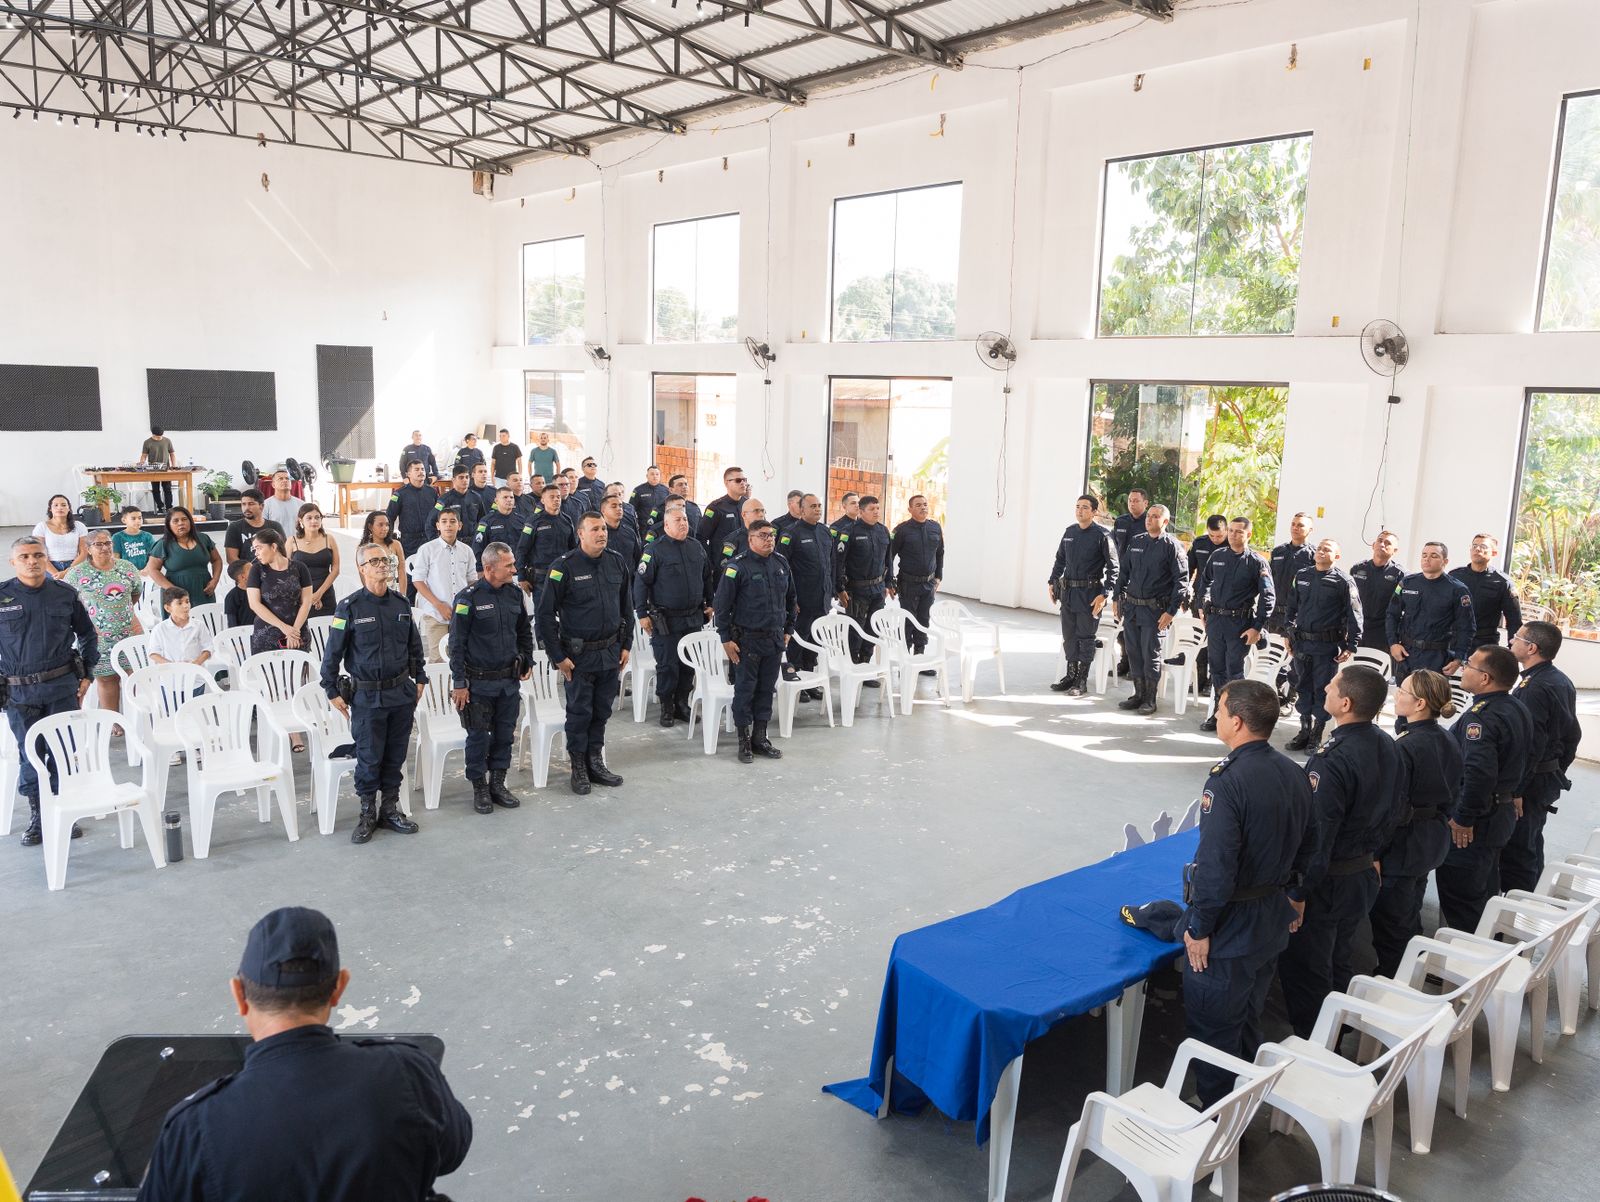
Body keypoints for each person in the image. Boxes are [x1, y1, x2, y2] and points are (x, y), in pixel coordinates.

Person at [138, 906, 470, 1202]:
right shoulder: (408, 1072)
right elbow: (452, 1152)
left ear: (238, 995)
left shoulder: (192, 1129)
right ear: (339, 987)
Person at [1173, 678, 1314, 1108]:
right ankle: (1246, 1099)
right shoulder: (1295, 772)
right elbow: (1311, 844)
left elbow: (1216, 869)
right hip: (1270, 919)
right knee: (1249, 1018)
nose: (1215, 715)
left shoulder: (1227, 781)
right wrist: (1296, 892)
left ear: (1236, 721)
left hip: (1231, 929)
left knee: (1214, 1028)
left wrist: (1198, 927)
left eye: (1219, 708)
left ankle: (1217, 1117)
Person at [1276, 665, 1396, 1037]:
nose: (1325, 686)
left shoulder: (1333, 759)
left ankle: (1313, 1044)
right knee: (1341, 957)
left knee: (1308, 967)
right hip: (1362, 872)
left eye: (1332, 685)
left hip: (1329, 882)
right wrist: (1375, 853)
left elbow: (1320, 835)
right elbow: (1395, 810)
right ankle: (1338, 1031)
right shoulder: (1387, 744)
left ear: (1345, 703)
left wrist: (1297, 892)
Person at [321, 544, 426, 843]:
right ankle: (368, 812)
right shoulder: (349, 607)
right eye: (375, 561)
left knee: (394, 756)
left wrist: (420, 678)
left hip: (401, 694)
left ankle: (390, 810)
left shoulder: (401, 603)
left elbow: (414, 646)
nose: (383, 565)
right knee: (369, 757)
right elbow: (333, 653)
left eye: (386, 560)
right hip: (367, 697)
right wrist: (330, 689)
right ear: (362, 569)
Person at [0, 536, 97, 846]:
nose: (32, 561)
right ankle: (39, 815)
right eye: (25, 556)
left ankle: (63, 810)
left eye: (38, 555)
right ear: (13, 562)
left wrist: (88, 672)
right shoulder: (2, 597)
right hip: (19, 694)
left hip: (60, 687)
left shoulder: (64, 594)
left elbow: (87, 635)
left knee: (62, 753)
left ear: (46, 558)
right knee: (31, 755)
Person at [1433, 644, 1533, 932]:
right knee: (1484, 889)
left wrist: (1463, 818)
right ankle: (1485, 952)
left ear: (1486, 677)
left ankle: (1458, 968)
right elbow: (1529, 756)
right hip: (1499, 812)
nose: (1464, 668)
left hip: (1478, 819)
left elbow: (1478, 774)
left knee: (1461, 896)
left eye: (1471, 665)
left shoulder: (1482, 717)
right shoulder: (1516, 706)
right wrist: (1515, 791)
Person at [1369, 669, 1460, 978]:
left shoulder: (1406, 747)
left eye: (1403, 691)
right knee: (1411, 906)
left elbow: (1392, 808)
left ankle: (1394, 981)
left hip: (1404, 844)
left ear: (1420, 703)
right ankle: (1416, 965)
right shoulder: (1447, 737)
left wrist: (1376, 853)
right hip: (1432, 838)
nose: (1397, 694)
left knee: (1392, 920)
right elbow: (1456, 790)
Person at [536, 513, 632, 795]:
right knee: (579, 714)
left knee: (601, 711)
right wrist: (557, 657)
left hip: (610, 652)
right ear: (580, 534)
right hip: (578, 657)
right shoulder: (563, 567)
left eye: (603, 528)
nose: (602, 533)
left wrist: (626, 644)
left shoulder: (617, 562)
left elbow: (627, 606)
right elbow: (544, 616)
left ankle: (595, 761)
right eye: (595, 529)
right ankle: (578, 767)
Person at [449, 542, 532, 814]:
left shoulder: (514, 594)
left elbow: (524, 632)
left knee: (505, 735)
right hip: (478, 685)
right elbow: (457, 644)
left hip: (507, 682)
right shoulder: (467, 599)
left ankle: (498, 783)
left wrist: (526, 660)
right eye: (508, 565)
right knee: (478, 738)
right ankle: (479, 787)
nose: (514, 569)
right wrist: (459, 683)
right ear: (488, 568)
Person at [1503, 621, 1582, 892]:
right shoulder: (1560, 679)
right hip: (1545, 775)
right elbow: (1574, 734)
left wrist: (1517, 790)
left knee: (1519, 850)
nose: (1512, 641)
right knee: (1532, 842)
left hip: (1532, 780)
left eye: (1517, 637)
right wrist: (1558, 769)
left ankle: (1514, 916)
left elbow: (1530, 745)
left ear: (1531, 648)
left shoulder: (1534, 688)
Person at [715, 520, 797, 764]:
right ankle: (744, 740)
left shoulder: (781, 563)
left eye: (771, 535)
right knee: (745, 691)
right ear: (750, 540)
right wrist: (726, 639)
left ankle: (760, 738)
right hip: (746, 641)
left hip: (773, 639)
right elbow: (722, 606)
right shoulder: (737, 567)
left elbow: (792, 599)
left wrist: (789, 629)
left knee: (765, 690)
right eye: (762, 536)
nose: (769, 539)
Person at [635, 502, 715, 728]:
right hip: (666, 621)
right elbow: (641, 583)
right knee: (668, 664)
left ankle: (682, 703)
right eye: (678, 520)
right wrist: (642, 613)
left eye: (686, 520)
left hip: (693, 617)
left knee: (688, 664)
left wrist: (711, 603)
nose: (683, 524)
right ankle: (667, 706)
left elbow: (707, 577)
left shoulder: (696, 547)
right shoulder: (655, 550)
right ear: (667, 525)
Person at [1282, 538, 1363, 751]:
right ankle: (1304, 730)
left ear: (1337, 556)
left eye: (1327, 550)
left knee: (1323, 689)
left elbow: (1355, 615)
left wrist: (1351, 645)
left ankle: (1317, 733)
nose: (1320, 552)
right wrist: (1288, 633)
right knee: (1302, 686)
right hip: (1302, 645)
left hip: (1326, 648)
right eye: (1319, 548)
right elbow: (1290, 606)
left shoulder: (1344, 581)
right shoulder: (1302, 576)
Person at [1196, 517, 1274, 731]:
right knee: (1217, 671)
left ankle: (1237, 716)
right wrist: (1202, 607)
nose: (1233, 534)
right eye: (1231, 530)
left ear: (1248, 534)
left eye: (1239, 531)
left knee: (1234, 673)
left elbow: (1268, 598)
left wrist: (1257, 627)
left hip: (1239, 625)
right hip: (1216, 622)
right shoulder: (1218, 556)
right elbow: (1204, 583)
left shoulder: (1257, 562)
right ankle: (1219, 712)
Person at [1112, 503, 1190, 715]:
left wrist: (1171, 611)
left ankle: (1149, 698)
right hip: (1132, 608)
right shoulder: (1137, 542)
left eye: (1155, 516)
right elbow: (1124, 571)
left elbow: (1181, 582)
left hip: (1155, 612)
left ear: (1165, 522)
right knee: (1133, 651)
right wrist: (1116, 597)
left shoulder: (1172, 546)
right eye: (1149, 516)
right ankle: (1137, 694)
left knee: (1150, 654)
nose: (1149, 519)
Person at [65, 530, 143, 721]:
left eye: (107, 543)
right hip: (98, 636)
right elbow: (68, 604)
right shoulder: (76, 574)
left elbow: (135, 593)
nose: (104, 547)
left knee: (135, 676)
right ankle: (114, 721)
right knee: (108, 678)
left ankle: (138, 719)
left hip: (129, 631)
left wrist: (119, 613)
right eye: (98, 544)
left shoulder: (126, 567)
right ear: (88, 549)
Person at [1048, 493, 1118, 696]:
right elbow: (1060, 559)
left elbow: (1114, 568)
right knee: (1069, 636)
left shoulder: (1103, 535)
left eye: (1085, 507)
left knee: (1086, 638)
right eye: (1077, 506)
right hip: (1068, 592)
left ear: (1094, 512)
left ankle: (1081, 680)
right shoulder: (1070, 532)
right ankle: (1070, 675)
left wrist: (1104, 594)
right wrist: (1052, 582)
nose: (1080, 510)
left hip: (1090, 594)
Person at [1387, 540, 1474, 683]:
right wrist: (1393, 643)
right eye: (1424, 555)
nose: (1427, 559)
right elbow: (1392, 615)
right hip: (1406, 654)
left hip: (1437, 657)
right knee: (1404, 699)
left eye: (1434, 556)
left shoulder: (1457, 589)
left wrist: (1459, 658)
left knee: (1431, 701)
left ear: (1445, 561)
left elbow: (1467, 627)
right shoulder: (1407, 583)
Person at [779, 493, 835, 696]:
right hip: (801, 600)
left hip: (821, 598)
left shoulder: (825, 532)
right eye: (813, 506)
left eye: (819, 505)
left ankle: (810, 681)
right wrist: (789, 600)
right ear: (802, 510)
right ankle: (795, 680)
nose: (818, 509)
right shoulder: (790, 533)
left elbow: (831, 565)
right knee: (796, 642)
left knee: (815, 641)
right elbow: (782, 568)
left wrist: (833, 591)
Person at [412, 508, 478, 662]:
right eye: (444, 521)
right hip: (436, 614)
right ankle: (440, 687)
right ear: (437, 525)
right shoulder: (427, 549)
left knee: (463, 657)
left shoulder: (466, 550)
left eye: (452, 521)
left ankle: (458, 687)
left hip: (461, 612)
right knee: (438, 660)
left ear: (460, 525)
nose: (448, 525)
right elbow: (418, 580)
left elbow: (472, 581)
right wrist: (438, 604)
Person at [836, 495, 892, 669]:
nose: (876, 512)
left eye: (877, 508)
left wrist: (889, 583)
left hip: (878, 589)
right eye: (871, 509)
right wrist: (839, 588)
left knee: (873, 628)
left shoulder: (883, 531)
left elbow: (888, 560)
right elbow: (838, 562)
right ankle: (852, 666)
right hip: (857, 590)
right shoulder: (849, 532)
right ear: (861, 512)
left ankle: (865, 663)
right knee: (855, 630)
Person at [889, 495, 944, 658]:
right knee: (908, 621)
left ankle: (919, 656)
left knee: (923, 621)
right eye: (918, 505)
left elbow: (940, 553)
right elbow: (889, 556)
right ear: (910, 509)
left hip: (928, 584)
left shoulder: (935, 527)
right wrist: (890, 581)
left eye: (925, 504)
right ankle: (905, 660)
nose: (923, 508)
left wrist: (938, 577)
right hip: (908, 584)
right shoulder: (901, 530)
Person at [1450, 534, 1524, 650]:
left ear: (1494, 553)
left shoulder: (1502, 582)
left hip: (1484, 643)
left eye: (1483, 546)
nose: (1477, 549)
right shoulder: (1455, 576)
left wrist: (1513, 649)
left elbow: (1514, 620)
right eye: (1474, 546)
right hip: (1453, 641)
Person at [516, 484, 576, 615]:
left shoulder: (567, 520)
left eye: (558, 497)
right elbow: (522, 549)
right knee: (543, 615)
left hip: (563, 575)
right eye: (552, 497)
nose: (556, 499)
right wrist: (521, 577)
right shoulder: (533, 521)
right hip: (541, 577)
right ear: (543, 500)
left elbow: (573, 549)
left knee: (567, 614)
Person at [146, 505, 223, 607]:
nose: (181, 523)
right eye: (175, 521)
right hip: (176, 595)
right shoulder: (163, 544)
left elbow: (217, 560)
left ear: (190, 521)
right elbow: (152, 569)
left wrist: (215, 580)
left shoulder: (204, 539)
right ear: (169, 525)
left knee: (205, 620)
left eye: (184, 519)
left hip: (204, 590)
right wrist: (172, 589)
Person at [1188, 515, 1229, 695]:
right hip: (1200, 600)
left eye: (1219, 536)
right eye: (1212, 536)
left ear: (1226, 531)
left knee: (1216, 644)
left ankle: (1213, 681)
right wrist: (1184, 593)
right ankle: (1199, 678)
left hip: (1222, 603)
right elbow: (1188, 568)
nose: (1215, 539)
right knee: (1199, 640)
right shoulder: (1200, 543)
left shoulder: (1231, 547)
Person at [1349, 531, 1405, 651]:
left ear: (1395, 550)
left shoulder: (1400, 575)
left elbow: (1400, 608)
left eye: (1387, 543)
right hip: (1358, 629)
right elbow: (1347, 601)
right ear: (1373, 545)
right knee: (1353, 669)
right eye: (1380, 541)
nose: (1382, 544)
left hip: (1382, 633)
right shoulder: (1357, 569)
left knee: (1376, 668)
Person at [386, 461, 438, 582]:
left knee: (432, 576)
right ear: (408, 474)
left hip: (430, 539)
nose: (421, 472)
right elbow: (389, 518)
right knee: (411, 576)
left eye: (423, 469)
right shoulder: (399, 494)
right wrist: (389, 541)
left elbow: (439, 515)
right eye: (417, 469)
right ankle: (409, 601)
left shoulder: (432, 492)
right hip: (409, 542)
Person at [287, 503, 340, 620]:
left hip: (326, 593)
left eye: (317, 517)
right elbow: (286, 572)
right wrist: (307, 596)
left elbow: (336, 569)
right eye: (309, 518)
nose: (314, 521)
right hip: (301, 596)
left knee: (335, 627)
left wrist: (319, 594)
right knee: (305, 633)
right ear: (301, 520)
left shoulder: (329, 539)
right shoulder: (292, 541)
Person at [148, 586, 214, 670]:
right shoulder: (159, 629)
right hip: (170, 678)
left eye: (187, 602)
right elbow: (153, 653)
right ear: (168, 608)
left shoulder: (199, 625)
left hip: (196, 676)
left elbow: (209, 647)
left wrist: (196, 663)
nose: (186, 606)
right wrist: (173, 666)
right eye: (179, 603)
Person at [225, 490, 285, 568]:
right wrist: (250, 572)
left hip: (273, 573)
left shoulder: (275, 526)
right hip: (246, 575)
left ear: (261, 506)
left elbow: (283, 552)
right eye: (243, 504)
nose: (246, 508)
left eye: (251, 504)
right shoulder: (234, 527)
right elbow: (231, 558)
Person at [34, 494, 88, 577]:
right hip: (49, 566)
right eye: (55, 505)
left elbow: (84, 553)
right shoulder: (41, 527)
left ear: (69, 508)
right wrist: (56, 574)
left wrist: (66, 572)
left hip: (74, 565)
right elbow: (39, 554)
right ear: (50, 509)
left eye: (63, 505)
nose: (60, 508)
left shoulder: (79, 526)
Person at [700, 466, 751, 550]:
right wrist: (709, 561)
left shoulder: (748, 505)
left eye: (744, 480)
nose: (743, 483)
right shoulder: (714, 508)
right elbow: (701, 537)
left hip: (744, 559)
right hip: (723, 559)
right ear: (726, 483)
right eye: (738, 480)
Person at [360, 511, 409, 596]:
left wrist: (403, 596)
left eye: (387, 525)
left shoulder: (396, 545)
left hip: (394, 593)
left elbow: (402, 571)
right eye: (380, 525)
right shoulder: (364, 549)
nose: (385, 528)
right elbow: (363, 576)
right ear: (370, 527)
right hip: (374, 594)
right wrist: (372, 598)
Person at [474, 488, 525, 566]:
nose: (509, 500)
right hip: (496, 568)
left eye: (511, 497)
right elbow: (478, 546)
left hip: (517, 568)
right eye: (505, 497)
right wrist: (480, 568)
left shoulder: (522, 520)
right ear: (496, 500)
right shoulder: (486, 521)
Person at [431, 465, 484, 539]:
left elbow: (483, 521)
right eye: (461, 477)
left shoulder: (476, 497)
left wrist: (481, 537)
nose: (465, 480)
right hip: (453, 542)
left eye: (467, 477)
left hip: (473, 541)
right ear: (453, 480)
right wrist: (437, 543)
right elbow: (430, 522)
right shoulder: (444, 500)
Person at [137, 424, 179, 511]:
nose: (159, 438)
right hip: (152, 470)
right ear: (153, 434)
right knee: (155, 489)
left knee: (167, 489)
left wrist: (174, 465)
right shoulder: (147, 442)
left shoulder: (167, 441)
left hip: (165, 470)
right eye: (157, 437)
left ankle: (169, 507)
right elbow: (144, 455)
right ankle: (160, 506)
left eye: (160, 437)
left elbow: (172, 454)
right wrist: (141, 462)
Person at [646, 473, 701, 539]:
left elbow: (700, 530)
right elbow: (650, 528)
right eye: (680, 485)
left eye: (686, 484)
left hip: (690, 545)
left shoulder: (695, 508)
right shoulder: (659, 508)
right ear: (671, 490)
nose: (684, 487)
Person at [718, 497, 767, 565]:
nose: (761, 515)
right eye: (756, 511)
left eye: (763, 511)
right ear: (744, 515)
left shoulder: (769, 538)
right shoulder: (732, 541)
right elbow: (725, 566)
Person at [600, 493, 641, 569]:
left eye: (620, 506)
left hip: (630, 578)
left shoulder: (629, 532)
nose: (619, 509)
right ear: (603, 511)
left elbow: (638, 557)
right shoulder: (598, 534)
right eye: (614, 506)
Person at [112, 505, 158, 573]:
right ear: (124, 520)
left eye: (140, 518)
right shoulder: (117, 537)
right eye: (133, 518)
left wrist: (147, 569)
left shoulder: (148, 536)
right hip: (126, 574)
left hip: (145, 573)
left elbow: (153, 557)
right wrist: (125, 572)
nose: (138, 521)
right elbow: (116, 558)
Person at [1111, 488, 1148, 560]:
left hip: (1142, 567)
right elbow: (1113, 545)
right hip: (1121, 567)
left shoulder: (1151, 522)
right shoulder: (1120, 521)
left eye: (1136, 501)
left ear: (1145, 503)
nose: (1132, 504)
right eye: (1130, 500)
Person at [223, 560, 254, 630]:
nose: (255, 570)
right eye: (251, 570)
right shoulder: (231, 597)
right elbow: (232, 624)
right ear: (242, 577)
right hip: (243, 634)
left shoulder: (261, 590)